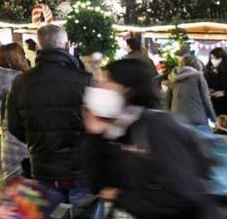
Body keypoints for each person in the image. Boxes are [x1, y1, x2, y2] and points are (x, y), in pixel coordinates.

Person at [79, 58, 218, 217]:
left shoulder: (158, 127)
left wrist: (121, 197)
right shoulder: (118, 128)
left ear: (128, 89)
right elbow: (98, 185)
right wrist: (94, 134)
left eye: (107, 82)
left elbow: (180, 196)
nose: (100, 88)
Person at [5, 24, 91, 211]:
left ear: (39, 46)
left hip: (43, 167)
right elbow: (95, 124)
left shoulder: (21, 82)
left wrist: (37, 140)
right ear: (66, 45)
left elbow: (13, 125)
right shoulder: (84, 79)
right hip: (80, 169)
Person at [0, 42, 31, 183]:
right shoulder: (22, 82)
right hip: (23, 140)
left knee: (13, 186)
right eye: (22, 56)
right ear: (16, 60)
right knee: (28, 190)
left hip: (8, 140)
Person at [169, 54, 217, 133]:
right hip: (197, 120)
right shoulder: (198, 77)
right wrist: (214, 119)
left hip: (177, 120)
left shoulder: (173, 78)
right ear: (196, 64)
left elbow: (168, 99)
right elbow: (206, 100)